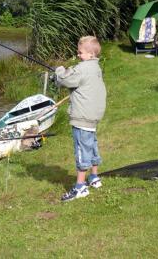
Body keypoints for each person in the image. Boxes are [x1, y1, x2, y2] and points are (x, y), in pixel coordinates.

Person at [55, 36, 107, 202]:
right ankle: (94, 177)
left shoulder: (83, 68)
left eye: (80, 52)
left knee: (82, 150)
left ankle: (80, 187)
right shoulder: (95, 67)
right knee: (91, 146)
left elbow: (65, 80)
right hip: (92, 116)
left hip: (82, 117)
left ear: (91, 53)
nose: (78, 55)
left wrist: (59, 70)